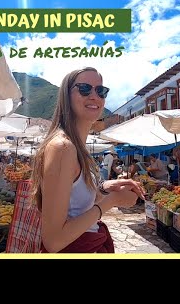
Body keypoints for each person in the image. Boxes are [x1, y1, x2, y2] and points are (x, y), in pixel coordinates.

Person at [30, 67, 144, 253]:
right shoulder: (63, 148)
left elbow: (75, 202)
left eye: (101, 91)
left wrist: (103, 188)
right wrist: (112, 201)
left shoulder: (77, 148)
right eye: (84, 89)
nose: (94, 96)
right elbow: (53, 241)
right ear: (67, 96)